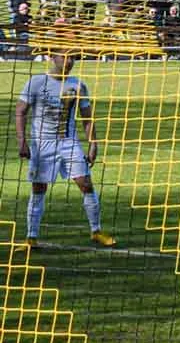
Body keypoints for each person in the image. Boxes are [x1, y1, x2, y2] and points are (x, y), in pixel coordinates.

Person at [15, 50, 116, 248]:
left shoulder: (78, 84)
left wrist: (93, 143)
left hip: (69, 143)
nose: (69, 61)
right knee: (39, 189)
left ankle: (96, 231)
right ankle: (31, 237)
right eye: (65, 56)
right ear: (52, 57)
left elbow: (87, 116)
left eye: (73, 58)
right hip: (42, 144)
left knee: (86, 184)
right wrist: (22, 141)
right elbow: (20, 111)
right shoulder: (36, 82)